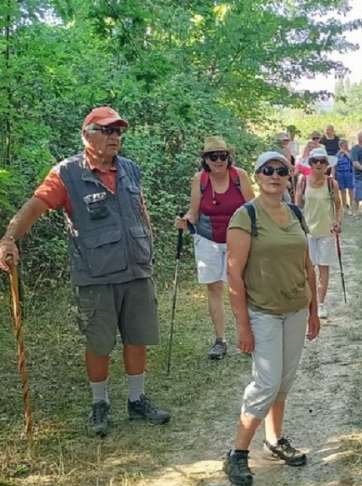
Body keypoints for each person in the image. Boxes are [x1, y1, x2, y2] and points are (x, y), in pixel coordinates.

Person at [0, 106, 170, 436]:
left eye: (118, 131)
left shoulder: (131, 169)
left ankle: (137, 401)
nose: (114, 137)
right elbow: (35, 207)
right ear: (86, 135)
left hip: (137, 271)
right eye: (106, 131)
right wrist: (9, 237)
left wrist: (149, 243)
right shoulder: (67, 173)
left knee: (138, 338)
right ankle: (99, 404)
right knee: (99, 343)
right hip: (96, 276)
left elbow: (140, 209)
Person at [224, 151, 320, 486]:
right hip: (262, 312)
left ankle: (275, 440)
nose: (275, 175)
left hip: (295, 309)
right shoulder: (245, 216)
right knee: (265, 384)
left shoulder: (295, 212)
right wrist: (242, 325)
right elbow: (233, 275)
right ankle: (237, 453)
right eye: (268, 170)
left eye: (281, 170)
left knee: (284, 381)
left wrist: (313, 310)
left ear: (289, 176)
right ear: (257, 175)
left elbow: (306, 263)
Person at [176, 137, 254, 359]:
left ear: (229, 157)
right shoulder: (199, 180)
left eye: (223, 156)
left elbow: (252, 207)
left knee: (241, 286)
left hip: (237, 237)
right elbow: (194, 211)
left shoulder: (239, 176)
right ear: (205, 159)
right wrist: (185, 219)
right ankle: (220, 340)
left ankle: (247, 335)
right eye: (213, 156)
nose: (219, 160)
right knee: (214, 288)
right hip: (207, 238)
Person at [295, 148, 342, 319]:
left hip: (327, 231)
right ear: (311, 163)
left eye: (322, 161)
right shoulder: (302, 180)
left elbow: (338, 205)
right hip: (308, 232)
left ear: (327, 164)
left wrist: (338, 222)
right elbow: (297, 205)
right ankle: (309, 302)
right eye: (315, 161)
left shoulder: (331, 183)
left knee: (323, 268)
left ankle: (320, 304)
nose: (319, 164)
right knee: (308, 270)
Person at [334, 139, 354, 214]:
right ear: (340, 146)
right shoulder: (337, 154)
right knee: (342, 190)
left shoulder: (350, 152)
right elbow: (334, 165)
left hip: (349, 173)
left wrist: (346, 152)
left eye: (346, 145)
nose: (345, 146)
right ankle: (345, 206)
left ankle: (352, 206)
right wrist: (334, 175)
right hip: (340, 174)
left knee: (351, 190)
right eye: (344, 145)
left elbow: (352, 159)